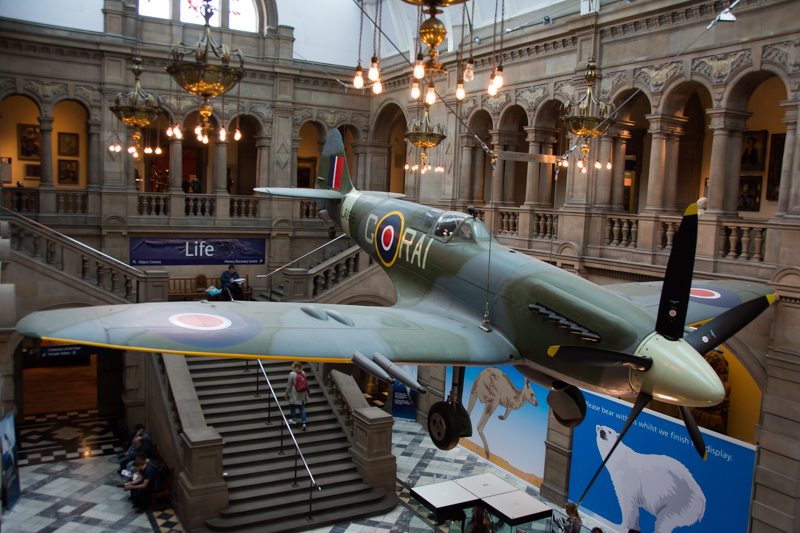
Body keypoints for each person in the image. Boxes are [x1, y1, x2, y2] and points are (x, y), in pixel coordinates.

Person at [285, 361, 310, 430]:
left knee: (292, 405)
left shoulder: (292, 374)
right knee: (301, 408)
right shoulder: (303, 373)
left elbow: (289, 385)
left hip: (294, 392)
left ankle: (294, 419)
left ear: (295, 366)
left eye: (293, 364)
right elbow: (306, 383)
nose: (291, 365)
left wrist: (286, 394)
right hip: (302, 393)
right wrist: (308, 390)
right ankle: (304, 422)